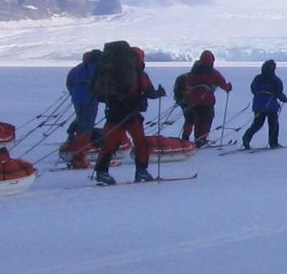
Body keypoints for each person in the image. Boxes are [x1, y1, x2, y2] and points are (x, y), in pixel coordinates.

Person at [94, 47, 167, 184]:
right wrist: (160, 93)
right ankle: (141, 171)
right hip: (131, 115)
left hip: (114, 113)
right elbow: (150, 92)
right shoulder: (138, 74)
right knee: (140, 142)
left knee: (109, 143)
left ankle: (102, 172)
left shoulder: (111, 73)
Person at [178, 50, 232, 148]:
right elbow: (223, 84)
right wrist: (228, 87)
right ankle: (201, 140)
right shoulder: (213, 73)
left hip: (193, 100)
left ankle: (189, 139)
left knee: (194, 119)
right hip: (207, 100)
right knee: (206, 119)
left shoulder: (193, 72)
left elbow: (189, 83)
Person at [241, 59, 287, 149]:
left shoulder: (257, 78)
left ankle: (247, 137)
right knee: (273, 124)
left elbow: (253, 89)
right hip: (270, 105)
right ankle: (273, 143)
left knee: (257, 124)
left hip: (258, 104)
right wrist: (284, 98)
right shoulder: (276, 80)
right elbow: (279, 93)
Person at [65, 50, 103, 143]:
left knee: (81, 117)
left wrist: (73, 94)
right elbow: (102, 84)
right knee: (88, 124)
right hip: (90, 99)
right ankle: (81, 146)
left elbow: (69, 82)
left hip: (76, 99)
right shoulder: (98, 69)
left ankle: (73, 135)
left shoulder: (77, 68)